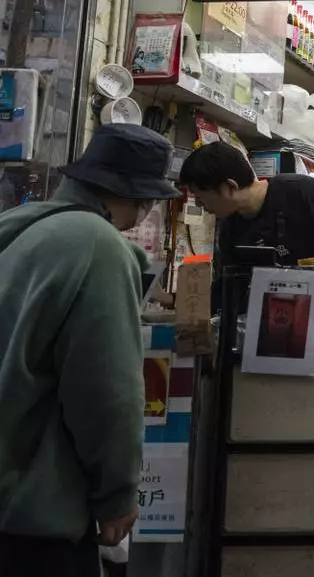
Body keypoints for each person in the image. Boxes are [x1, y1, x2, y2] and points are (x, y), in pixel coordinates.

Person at [0, 124, 180, 577]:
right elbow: (106, 391)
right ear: (137, 196)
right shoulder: (98, 246)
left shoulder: (21, 227)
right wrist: (117, 494)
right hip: (35, 514)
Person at [178, 141, 314, 269]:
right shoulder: (232, 227)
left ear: (230, 186)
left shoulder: (301, 192)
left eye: (201, 195)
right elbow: (230, 288)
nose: (200, 204)